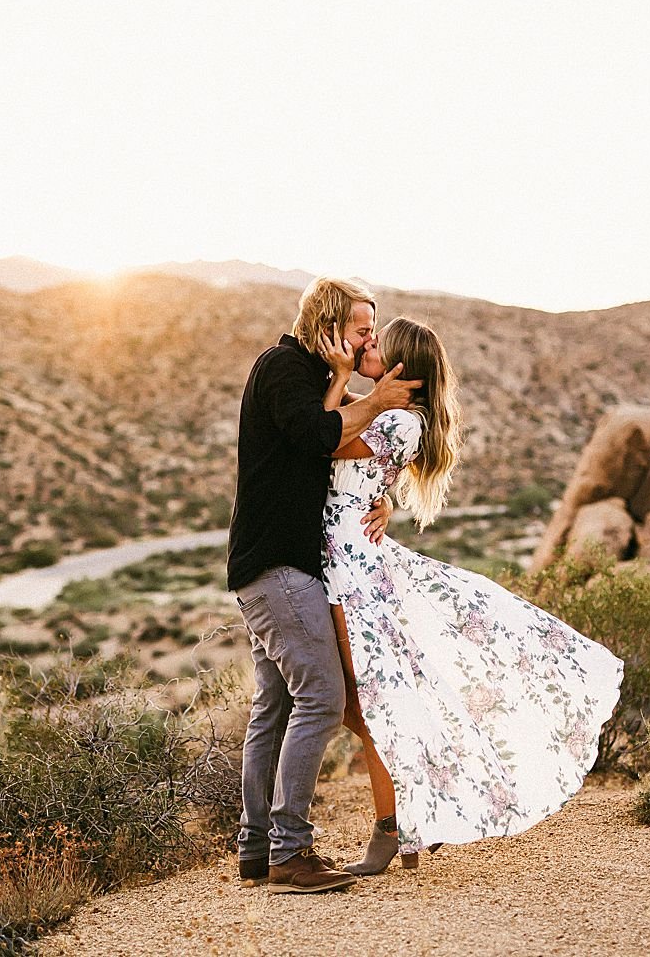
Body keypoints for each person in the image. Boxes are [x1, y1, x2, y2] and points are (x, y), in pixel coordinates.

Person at [314, 316, 624, 875]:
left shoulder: (403, 422)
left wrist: (337, 377)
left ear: (403, 367)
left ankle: (392, 830)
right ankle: (413, 818)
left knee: (365, 705)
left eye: (379, 344)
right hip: (347, 560)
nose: (368, 346)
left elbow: (325, 437)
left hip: (354, 572)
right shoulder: (389, 411)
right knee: (360, 707)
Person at [227, 276, 421, 894]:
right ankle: (289, 852)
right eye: (363, 328)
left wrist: (382, 496)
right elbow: (320, 436)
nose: (370, 338)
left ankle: (257, 850)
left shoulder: (309, 377)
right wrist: (381, 399)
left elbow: (333, 455)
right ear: (331, 325)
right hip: (281, 568)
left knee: (275, 707)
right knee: (319, 697)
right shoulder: (285, 368)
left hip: (273, 566)